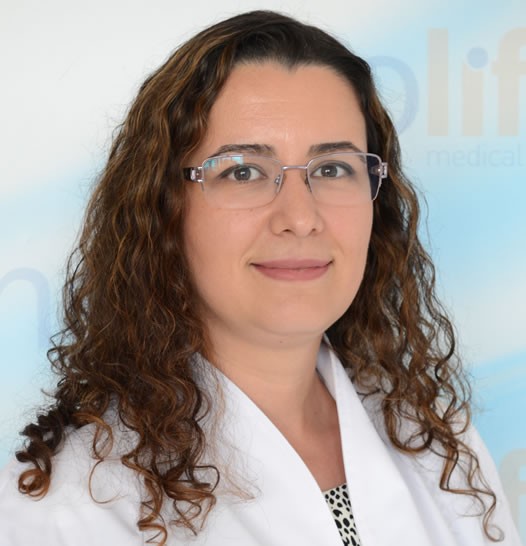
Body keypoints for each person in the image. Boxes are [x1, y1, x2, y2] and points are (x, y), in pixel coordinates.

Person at [0, 10, 521, 546]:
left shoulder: (437, 440)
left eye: (333, 169)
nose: (300, 217)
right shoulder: (70, 508)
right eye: (243, 171)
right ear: (164, 209)